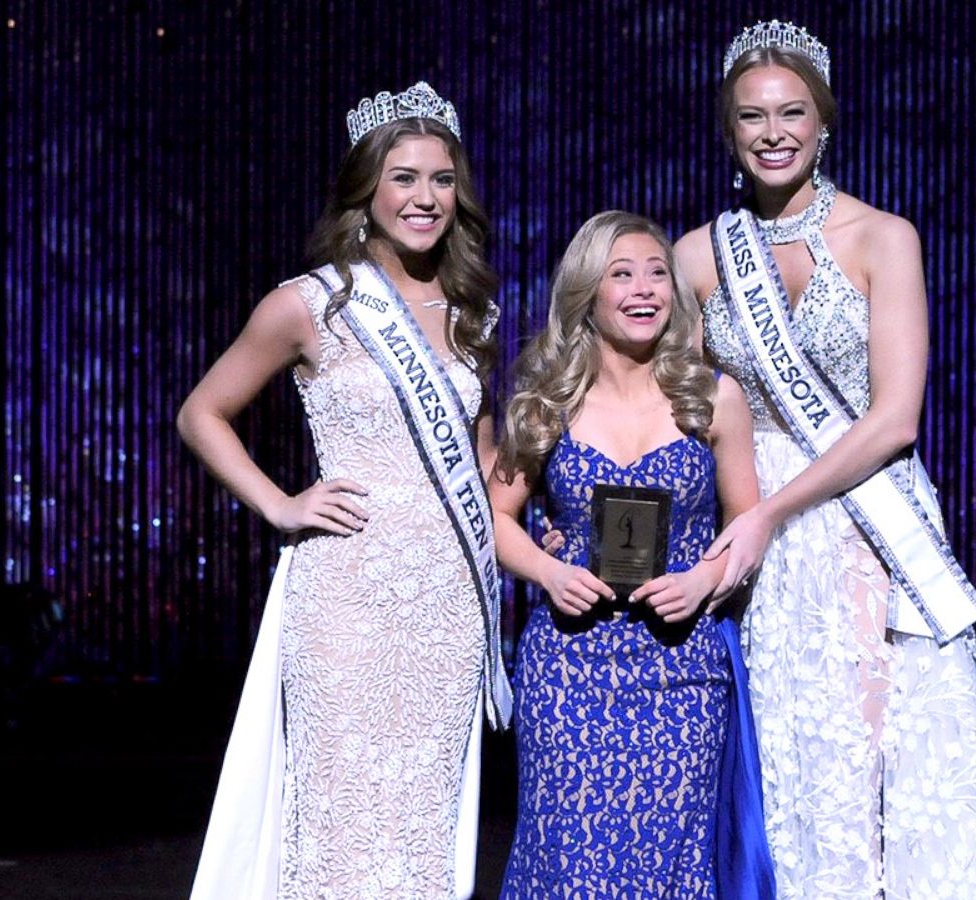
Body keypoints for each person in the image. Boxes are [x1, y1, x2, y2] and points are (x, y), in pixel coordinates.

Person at [673, 21, 976, 898]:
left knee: (885, 757)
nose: (774, 132)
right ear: (729, 129)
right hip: (754, 533)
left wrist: (772, 511)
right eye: (753, 116)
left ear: (825, 122)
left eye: (794, 112)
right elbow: (677, 412)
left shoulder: (883, 237)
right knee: (785, 768)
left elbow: (896, 419)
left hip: (864, 518)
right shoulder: (692, 257)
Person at [178, 81, 510, 900]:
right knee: (341, 804)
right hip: (346, 595)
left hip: (447, 604)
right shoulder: (309, 304)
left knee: (422, 815)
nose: (424, 198)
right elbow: (202, 413)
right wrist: (280, 503)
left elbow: (485, 461)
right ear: (367, 188)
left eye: (441, 179)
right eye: (403, 177)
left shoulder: (474, 311)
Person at [489, 211, 773, 897]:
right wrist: (548, 570)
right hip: (568, 672)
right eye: (622, 274)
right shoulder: (545, 403)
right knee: (571, 866)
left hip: (683, 670)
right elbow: (493, 519)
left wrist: (705, 581)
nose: (644, 289)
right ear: (588, 291)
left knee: (671, 867)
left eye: (657, 274)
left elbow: (749, 521)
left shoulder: (713, 397)